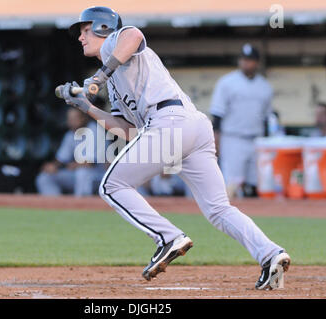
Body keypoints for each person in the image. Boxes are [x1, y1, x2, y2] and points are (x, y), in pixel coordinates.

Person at [59, 6, 290, 290]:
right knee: (218, 209)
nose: (80, 37)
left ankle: (167, 237)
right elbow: (128, 131)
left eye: (85, 30)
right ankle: (270, 254)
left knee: (111, 185)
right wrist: (88, 108)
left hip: (170, 122)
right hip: (190, 127)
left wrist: (97, 79)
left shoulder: (113, 46)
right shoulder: (115, 76)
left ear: (103, 27)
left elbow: (133, 34)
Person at [209, 44, 273, 198]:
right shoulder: (227, 82)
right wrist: (215, 140)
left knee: (255, 182)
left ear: (257, 62)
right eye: (243, 59)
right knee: (231, 184)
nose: (246, 63)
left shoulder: (265, 86)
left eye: (250, 60)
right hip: (233, 138)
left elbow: (266, 118)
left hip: (256, 139)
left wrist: (266, 142)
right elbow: (217, 114)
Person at [36, 108, 105, 196]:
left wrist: (72, 165)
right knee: (44, 178)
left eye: (74, 119)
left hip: (98, 175)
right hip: (76, 173)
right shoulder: (70, 134)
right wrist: (52, 166)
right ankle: (55, 207)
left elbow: (90, 164)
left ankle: (81, 207)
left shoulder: (95, 130)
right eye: (69, 119)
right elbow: (61, 159)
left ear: (84, 118)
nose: (70, 122)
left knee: (82, 173)